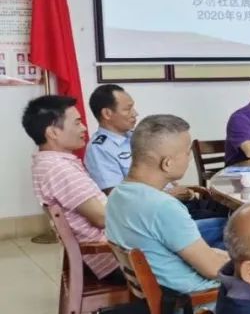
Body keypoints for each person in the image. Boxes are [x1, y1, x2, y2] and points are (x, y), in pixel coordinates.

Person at [106, 114, 227, 294]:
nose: (189, 159)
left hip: (164, 295)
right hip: (199, 301)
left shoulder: (117, 194)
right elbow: (212, 269)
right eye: (187, 153)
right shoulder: (163, 206)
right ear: (167, 163)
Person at [22, 95, 119, 281]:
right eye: (77, 123)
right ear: (53, 132)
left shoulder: (47, 162)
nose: (84, 128)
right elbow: (102, 218)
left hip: (103, 254)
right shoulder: (59, 169)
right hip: (111, 259)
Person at [84, 83, 138, 192]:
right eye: (128, 109)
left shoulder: (137, 136)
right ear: (107, 114)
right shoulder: (99, 149)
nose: (135, 114)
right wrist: (167, 194)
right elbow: (116, 194)